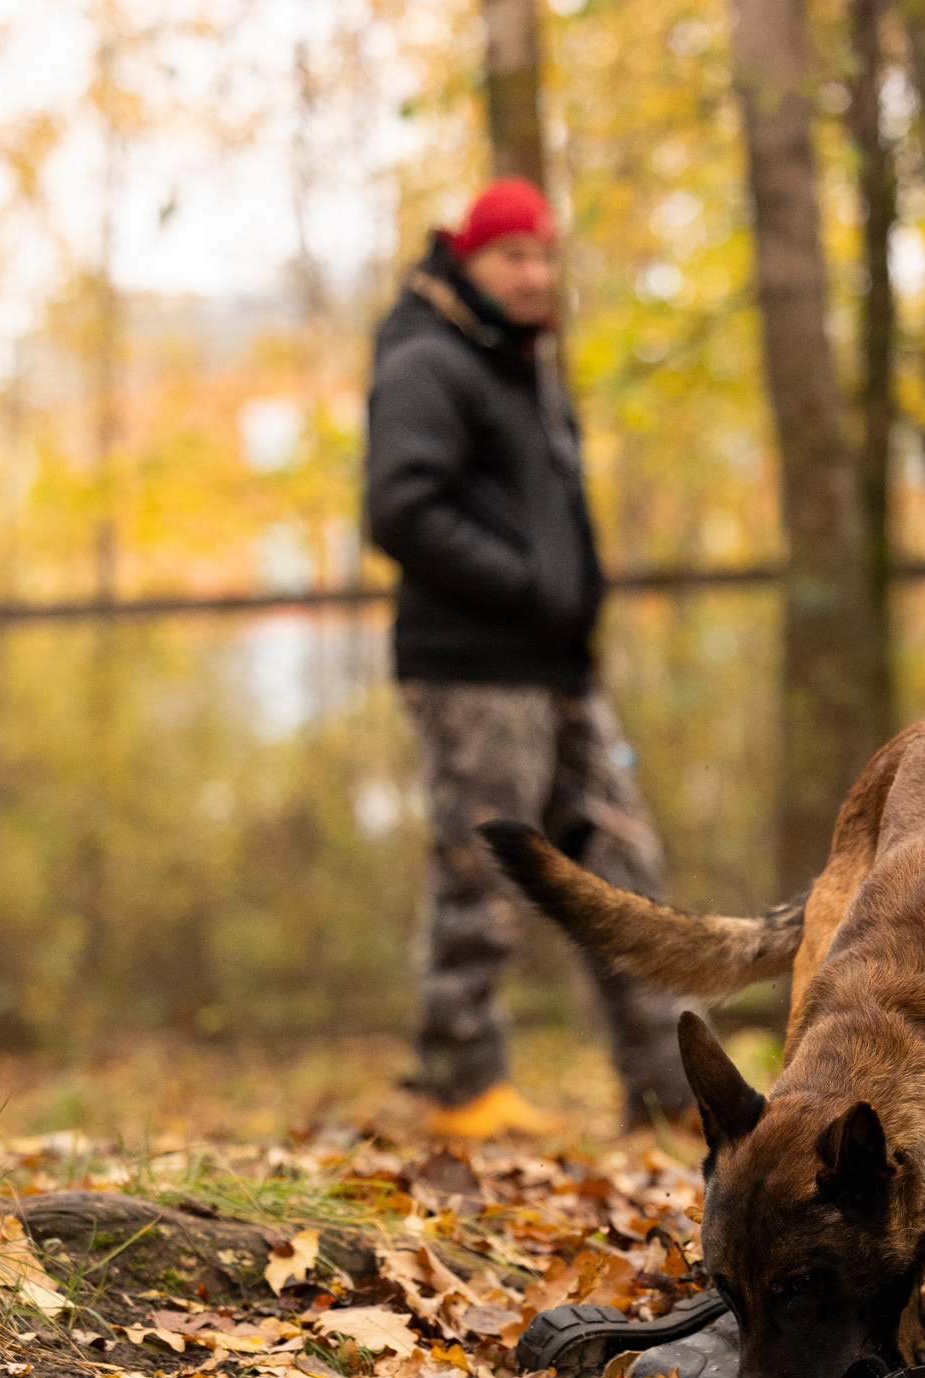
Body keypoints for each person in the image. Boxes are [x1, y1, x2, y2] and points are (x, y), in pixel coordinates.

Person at [363, 178, 693, 1141]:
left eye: (545, 256)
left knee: (622, 868)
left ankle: (674, 1088)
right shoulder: (429, 361)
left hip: (557, 670)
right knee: (485, 872)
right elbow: (400, 508)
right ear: (468, 260)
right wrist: (527, 585)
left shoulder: (521, 366)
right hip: (474, 667)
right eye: (513, 256)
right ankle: (461, 1083)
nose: (534, 275)